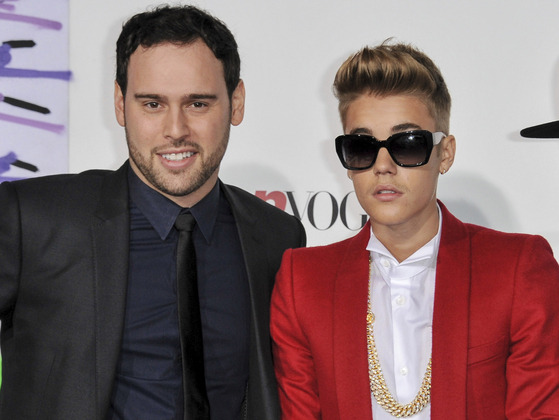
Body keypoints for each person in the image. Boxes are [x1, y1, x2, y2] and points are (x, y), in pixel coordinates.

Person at [0, 5, 305, 419]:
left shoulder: (276, 237)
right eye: (152, 104)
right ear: (121, 104)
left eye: (197, 104)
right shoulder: (34, 220)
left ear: (236, 102)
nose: (175, 129)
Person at [270, 41, 559, 419]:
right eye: (362, 146)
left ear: (446, 153)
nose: (383, 165)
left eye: (407, 144)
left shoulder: (518, 268)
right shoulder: (303, 282)